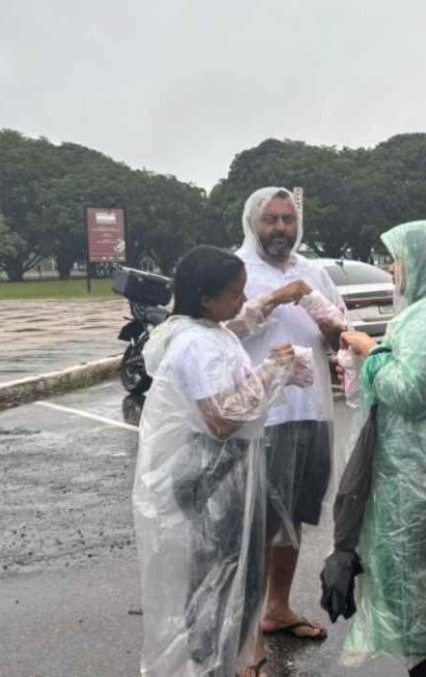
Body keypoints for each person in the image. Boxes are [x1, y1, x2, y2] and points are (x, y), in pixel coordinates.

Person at [323, 220, 426, 677]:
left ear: (422, 260)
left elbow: (411, 391)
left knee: (420, 599)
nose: (394, 270)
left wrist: (368, 348)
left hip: (423, 478)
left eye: (398, 259)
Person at [133, 245, 309, 677]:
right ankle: (211, 664)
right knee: (220, 578)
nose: (242, 302)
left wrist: (279, 373)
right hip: (212, 471)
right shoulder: (197, 344)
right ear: (205, 298)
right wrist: (271, 372)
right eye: (235, 294)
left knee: (234, 574)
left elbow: (234, 393)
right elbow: (222, 419)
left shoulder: (211, 331)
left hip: (225, 468)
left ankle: (226, 661)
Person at [235, 187, 345, 642]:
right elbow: (221, 330)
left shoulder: (314, 272)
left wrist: (331, 328)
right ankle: (244, 637)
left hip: (312, 409)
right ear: (252, 223)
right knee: (256, 522)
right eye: (271, 220)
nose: (281, 228)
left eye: (288, 219)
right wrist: (278, 298)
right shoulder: (236, 269)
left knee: (293, 515)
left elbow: (340, 339)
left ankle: (277, 609)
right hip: (263, 416)